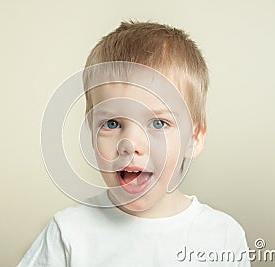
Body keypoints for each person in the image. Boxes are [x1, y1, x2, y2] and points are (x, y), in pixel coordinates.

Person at [18, 21, 250, 266]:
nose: (130, 145)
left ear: (194, 138)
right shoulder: (68, 234)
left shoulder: (223, 236)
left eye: (158, 124)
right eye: (112, 123)